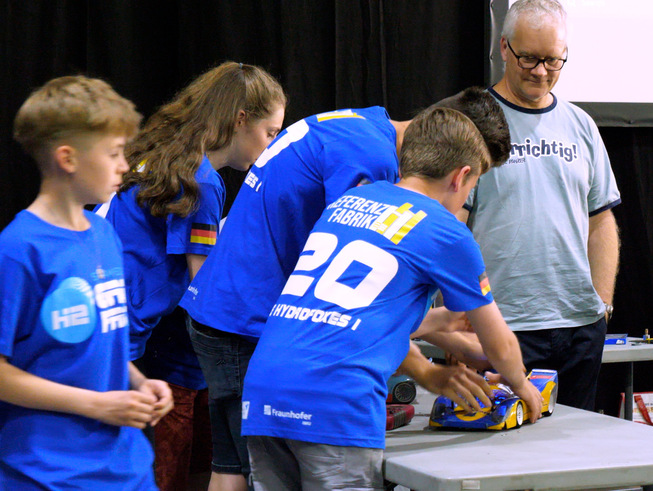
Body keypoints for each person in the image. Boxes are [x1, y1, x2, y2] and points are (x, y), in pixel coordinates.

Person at [178, 86, 512, 487]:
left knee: (232, 467)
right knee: (237, 474)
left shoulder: (363, 125)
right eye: (472, 179)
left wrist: (442, 328)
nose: (463, 199)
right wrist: (426, 369)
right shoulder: (373, 168)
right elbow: (350, 307)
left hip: (238, 312)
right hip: (246, 320)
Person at [98, 61, 286, 491]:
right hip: (124, 341)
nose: (272, 146)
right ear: (240, 119)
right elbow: (206, 287)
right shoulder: (202, 179)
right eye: (270, 132)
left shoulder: (162, 152)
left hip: (111, 324)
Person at [0, 75, 173, 489]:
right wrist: (97, 405)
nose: (125, 166)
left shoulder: (102, 232)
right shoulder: (18, 250)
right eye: (114, 153)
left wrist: (138, 382)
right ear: (68, 158)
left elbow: (99, 342)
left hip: (125, 467)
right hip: (48, 474)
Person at [463, 0, 621, 410]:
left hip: (579, 326)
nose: (540, 71)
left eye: (553, 60)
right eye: (529, 58)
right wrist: (458, 316)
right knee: (501, 456)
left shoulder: (580, 125)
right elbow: (450, 227)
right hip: (502, 324)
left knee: (571, 457)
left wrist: (601, 305)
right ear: (503, 48)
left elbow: (600, 220)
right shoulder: (474, 123)